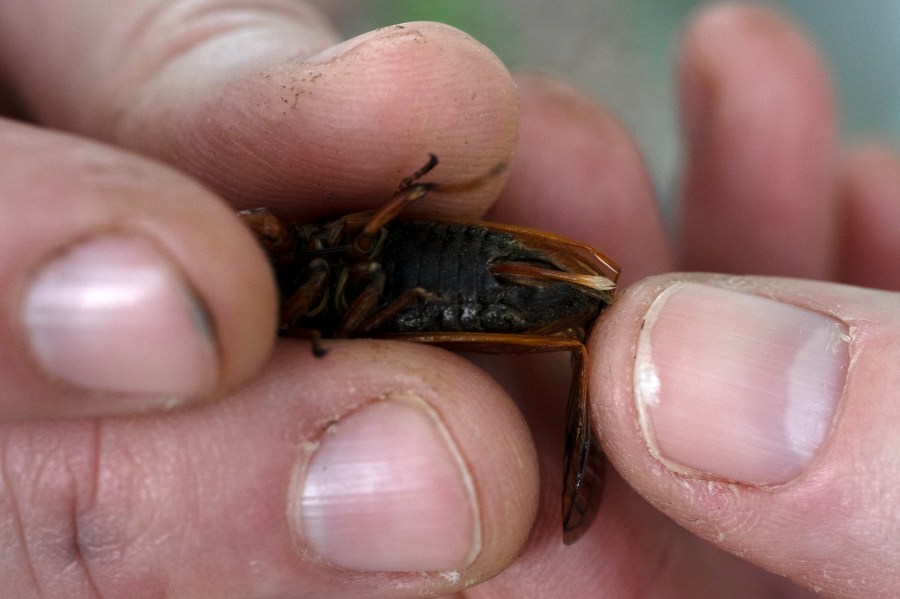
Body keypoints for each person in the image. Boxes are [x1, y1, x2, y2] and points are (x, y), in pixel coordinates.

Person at [0, 1, 896, 596]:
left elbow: (336, 240)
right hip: (420, 306)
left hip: (432, 268)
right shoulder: (278, 315)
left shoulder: (288, 243)